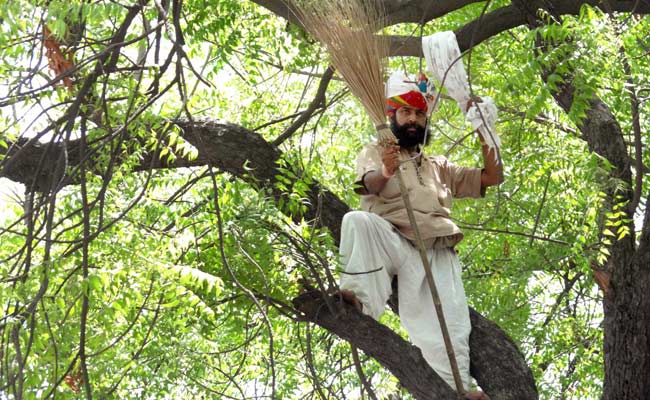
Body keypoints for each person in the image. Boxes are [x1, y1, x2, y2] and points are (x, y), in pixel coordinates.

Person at [338, 73, 502, 400]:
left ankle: (455, 391)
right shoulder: (375, 151)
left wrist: (486, 132)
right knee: (356, 221)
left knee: (449, 327)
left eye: (419, 114)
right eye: (406, 113)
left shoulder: (438, 166)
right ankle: (357, 303)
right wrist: (386, 171)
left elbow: (492, 177)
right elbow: (369, 184)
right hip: (393, 240)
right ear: (393, 117)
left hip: (437, 250)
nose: (413, 119)